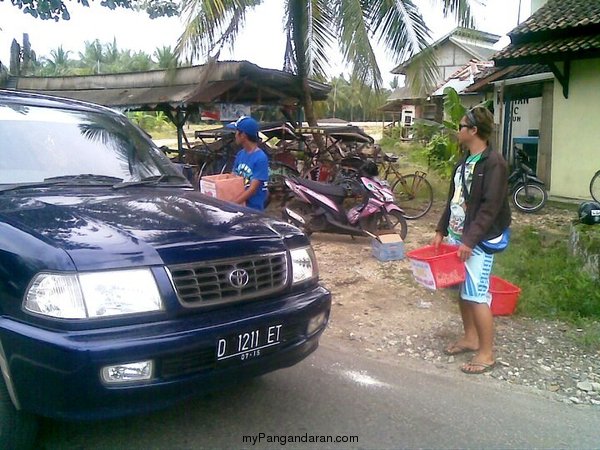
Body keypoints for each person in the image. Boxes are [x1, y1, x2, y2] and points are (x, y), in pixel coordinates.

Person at [432, 106, 511, 375]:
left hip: (478, 240)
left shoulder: (494, 163)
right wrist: (441, 230)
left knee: (478, 294)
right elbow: (453, 200)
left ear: (474, 131)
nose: (458, 130)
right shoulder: (464, 161)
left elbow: (490, 208)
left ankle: (487, 354)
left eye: (461, 126)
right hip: (459, 237)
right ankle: (470, 337)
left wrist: (470, 241)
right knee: (463, 291)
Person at [226, 116, 269, 211]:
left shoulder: (260, 158)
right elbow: (233, 177)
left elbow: (252, 189)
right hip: (239, 206)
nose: (235, 135)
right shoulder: (240, 154)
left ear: (243, 135)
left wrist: (233, 204)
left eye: (236, 132)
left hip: (253, 210)